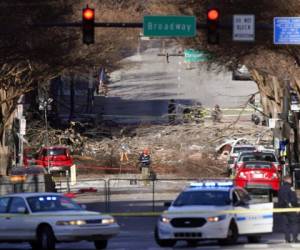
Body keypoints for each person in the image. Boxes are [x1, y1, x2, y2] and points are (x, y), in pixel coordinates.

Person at [278, 176, 299, 243]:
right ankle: (294, 238)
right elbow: (293, 199)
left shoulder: (280, 188)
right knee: (294, 223)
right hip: (291, 208)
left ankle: (287, 239)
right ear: (288, 180)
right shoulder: (291, 188)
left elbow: (280, 199)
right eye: (291, 179)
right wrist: (296, 206)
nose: (291, 181)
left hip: (282, 209)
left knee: (285, 224)